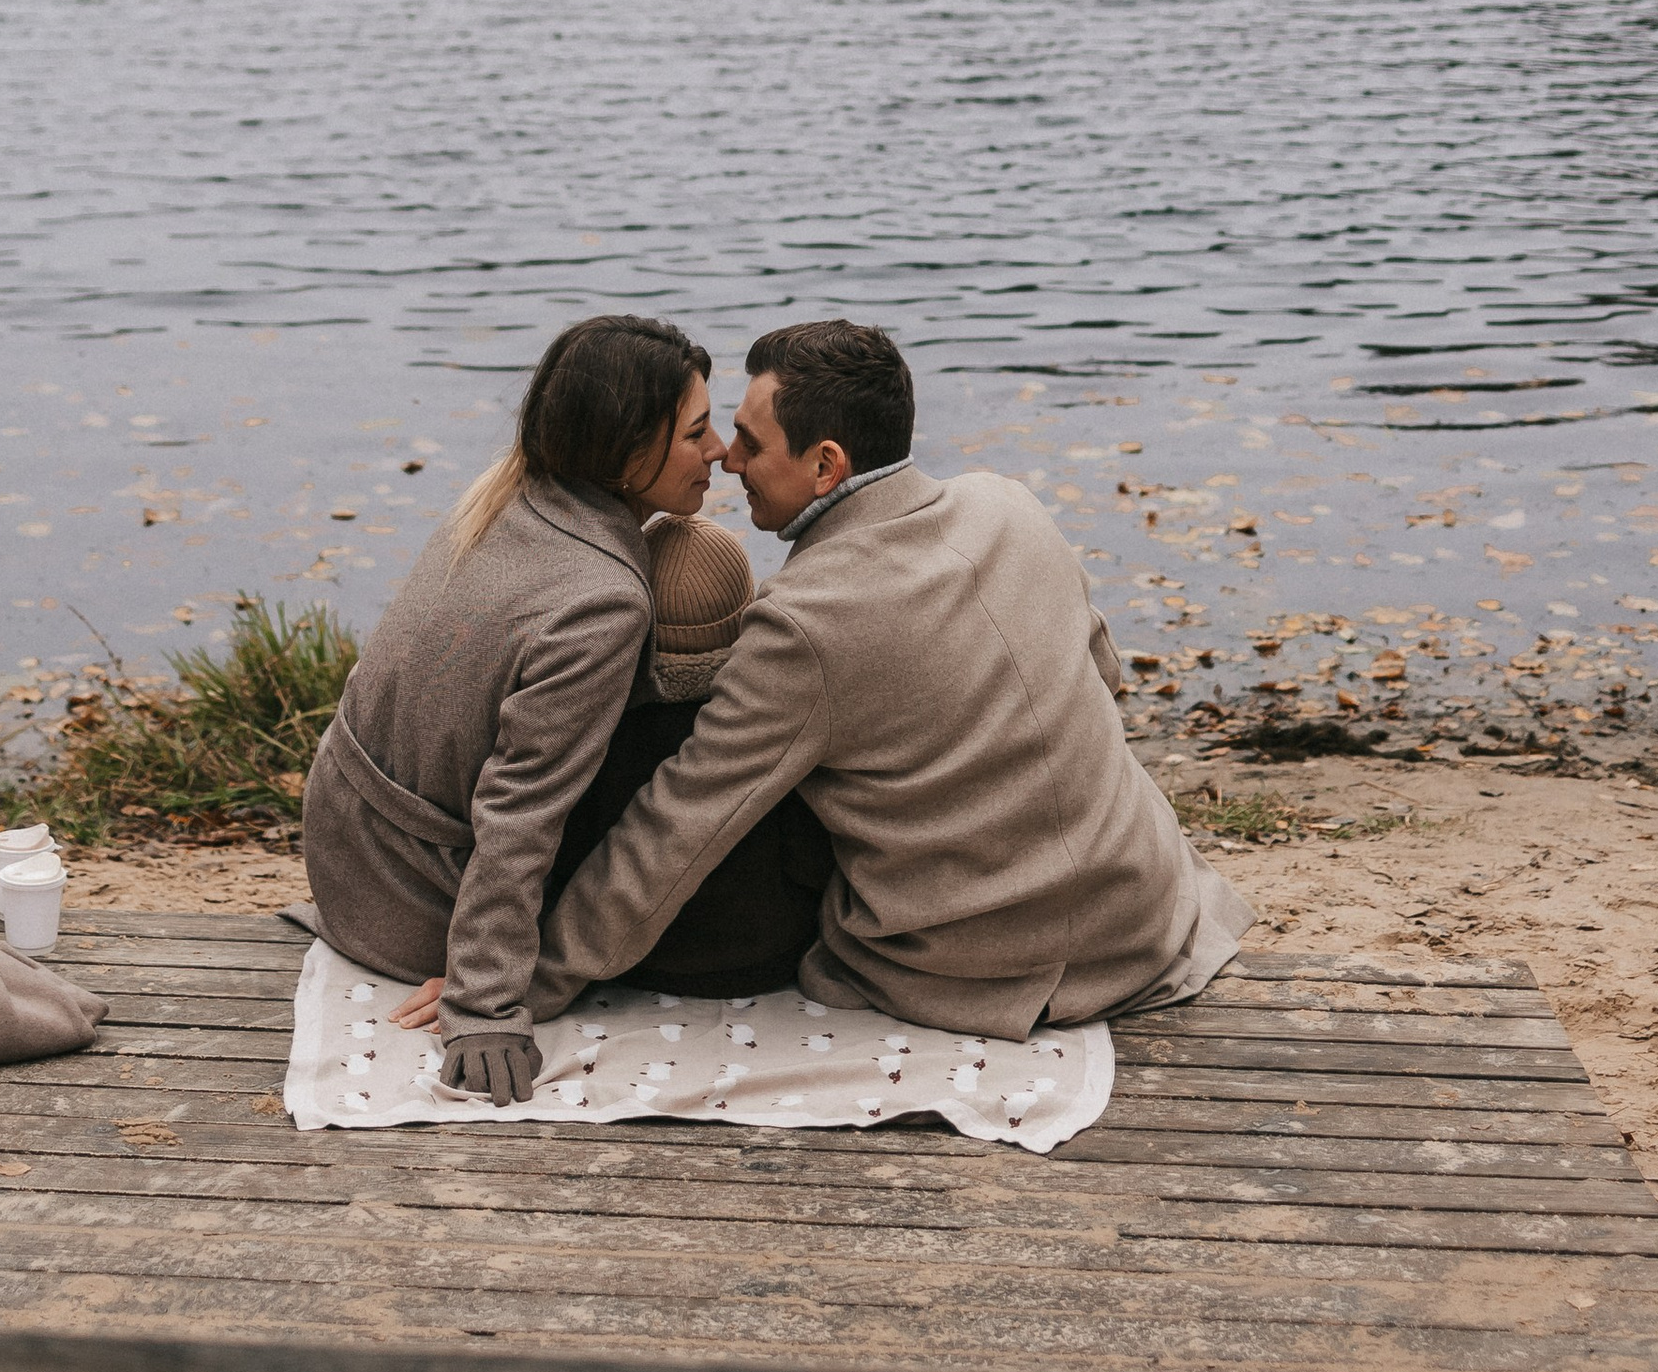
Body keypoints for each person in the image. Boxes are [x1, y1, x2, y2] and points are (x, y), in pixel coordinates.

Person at [526, 317, 1252, 1041]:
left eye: (751, 441)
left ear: (826, 465)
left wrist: (534, 977)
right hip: (1140, 910)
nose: (729, 460)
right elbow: (1103, 674)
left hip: (984, 964)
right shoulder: (1010, 506)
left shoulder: (803, 621)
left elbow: (679, 825)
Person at [300, 313, 824, 1106]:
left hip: (348, 850)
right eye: (695, 433)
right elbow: (520, 810)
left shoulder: (506, 498)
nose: (719, 453)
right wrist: (483, 1006)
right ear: (622, 449)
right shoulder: (603, 601)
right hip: (413, 897)